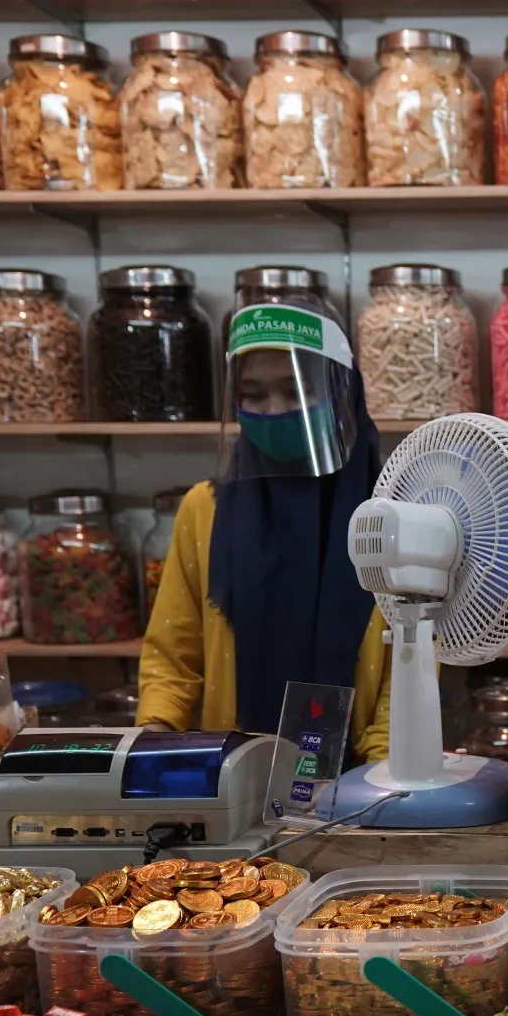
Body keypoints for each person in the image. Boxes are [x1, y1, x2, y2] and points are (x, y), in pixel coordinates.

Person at [138, 298, 392, 762]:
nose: (274, 411)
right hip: (230, 777)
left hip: (362, 787)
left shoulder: (393, 515)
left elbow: (409, 668)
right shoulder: (205, 510)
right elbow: (173, 657)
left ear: (341, 391)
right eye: (254, 395)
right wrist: (155, 737)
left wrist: (372, 784)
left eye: (296, 390)